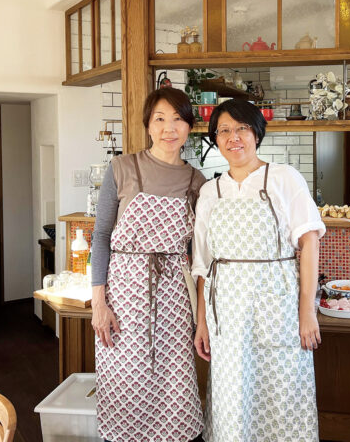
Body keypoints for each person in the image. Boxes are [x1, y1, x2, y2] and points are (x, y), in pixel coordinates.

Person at [192, 99, 325, 441]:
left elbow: (309, 242)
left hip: (277, 309)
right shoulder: (210, 191)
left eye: (242, 128)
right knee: (232, 396)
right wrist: (202, 322)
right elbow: (203, 265)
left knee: (281, 394)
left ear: (257, 134)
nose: (233, 137)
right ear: (215, 138)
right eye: (224, 130)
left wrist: (307, 311)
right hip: (226, 316)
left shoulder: (283, 178)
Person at [91, 88, 206, 442]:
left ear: (189, 127)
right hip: (123, 299)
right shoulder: (122, 168)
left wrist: (201, 317)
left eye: (178, 119)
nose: (169, 128)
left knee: (176, 392)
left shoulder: (197, 182)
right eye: (160, 119)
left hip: (174, 301)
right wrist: (99, 304)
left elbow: (201, 254)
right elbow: (101, 236)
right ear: (148, 125)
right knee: (123, 387)